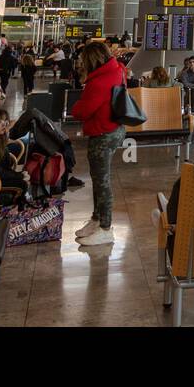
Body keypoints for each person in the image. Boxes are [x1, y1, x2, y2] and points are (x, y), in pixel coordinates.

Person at [69, 42, 127, 246]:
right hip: (115, 129)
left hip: (103, 133)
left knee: (102, 181)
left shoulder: (99, 82)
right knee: (98, 178)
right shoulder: (117, 70)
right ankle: (96, 219)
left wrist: (77, 104)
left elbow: (81, 111)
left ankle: (105, 228)